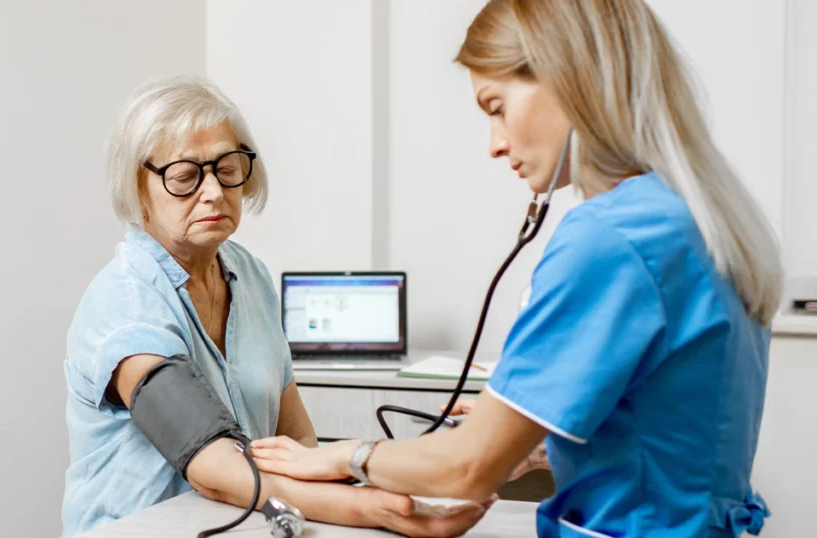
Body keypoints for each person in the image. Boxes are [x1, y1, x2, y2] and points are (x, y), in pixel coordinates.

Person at [249, 1, 783, 536]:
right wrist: (537, 450)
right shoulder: (695, 219)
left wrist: (342, 455)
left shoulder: (611, 236)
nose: (495, 144)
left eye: (496, 106)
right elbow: (672, 431)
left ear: (569, 74)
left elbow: (465, 468)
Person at [61, 75, 494, 538]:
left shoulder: (249, 275)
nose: (213, 191)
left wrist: (381, 482)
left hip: (243, 524)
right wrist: (377, 508)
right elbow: (213, 464)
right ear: (137, 188)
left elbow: (297, 440)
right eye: (185, 176)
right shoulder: (123, 304)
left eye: (227, 168)